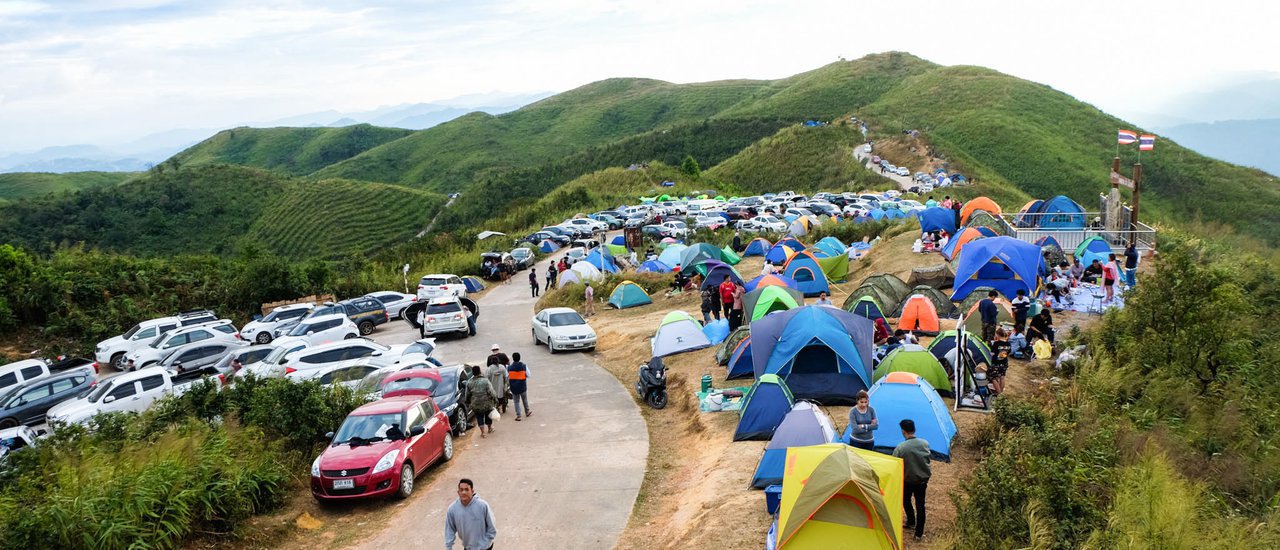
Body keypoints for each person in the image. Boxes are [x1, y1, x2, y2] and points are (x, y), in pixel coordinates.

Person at [892, 419, 932, 540]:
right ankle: (919, 533)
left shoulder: (901, 448)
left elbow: (894, 463)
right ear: (914, 429)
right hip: (922, 481)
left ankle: (910, 521)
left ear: (903, 431)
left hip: (907, 481)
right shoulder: (925, 443)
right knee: (920, 505)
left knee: (906, 500)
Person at [444, 478, 497, 550]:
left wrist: (485, 542)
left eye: (466, 489)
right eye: (461, 490)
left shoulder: (482, 506)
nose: (464, 492)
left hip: (485, 547)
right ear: (458, 492)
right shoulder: (452, 509)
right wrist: (449, 547)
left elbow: (492, 527)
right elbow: (449, 530)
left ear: (472, 491)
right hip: (468, 548)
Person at [466, 365, 498, 438]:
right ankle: (490, 428)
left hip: (476, 404)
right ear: (480, 371)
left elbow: (467, 395)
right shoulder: (485, 380)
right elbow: (491, 392)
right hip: (486, 403)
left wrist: (468, 403)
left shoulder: (469, 382)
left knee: (479, 417)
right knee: (488, 415)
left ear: (472, 373)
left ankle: (483, 433)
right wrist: (495, 399)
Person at [507, 352, 531, 421]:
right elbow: (529, 375)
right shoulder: (524, 366)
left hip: (514, 388)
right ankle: (527, 412)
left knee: (516, 401)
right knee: (525, 399)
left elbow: (506, 376)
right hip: (522, 387)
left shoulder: (509, 368)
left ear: (513, 359)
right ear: (519, 358)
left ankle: (519, 416)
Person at [988, 327, 1010, 396]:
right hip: (1004, 363)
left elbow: (992, 353)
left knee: (993, 378)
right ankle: (1000, 393)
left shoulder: (996, 343)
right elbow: (1008, 352)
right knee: (1002, 377)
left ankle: (999, 393)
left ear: (997, 334)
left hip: (996, 363)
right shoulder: (1008, 344)